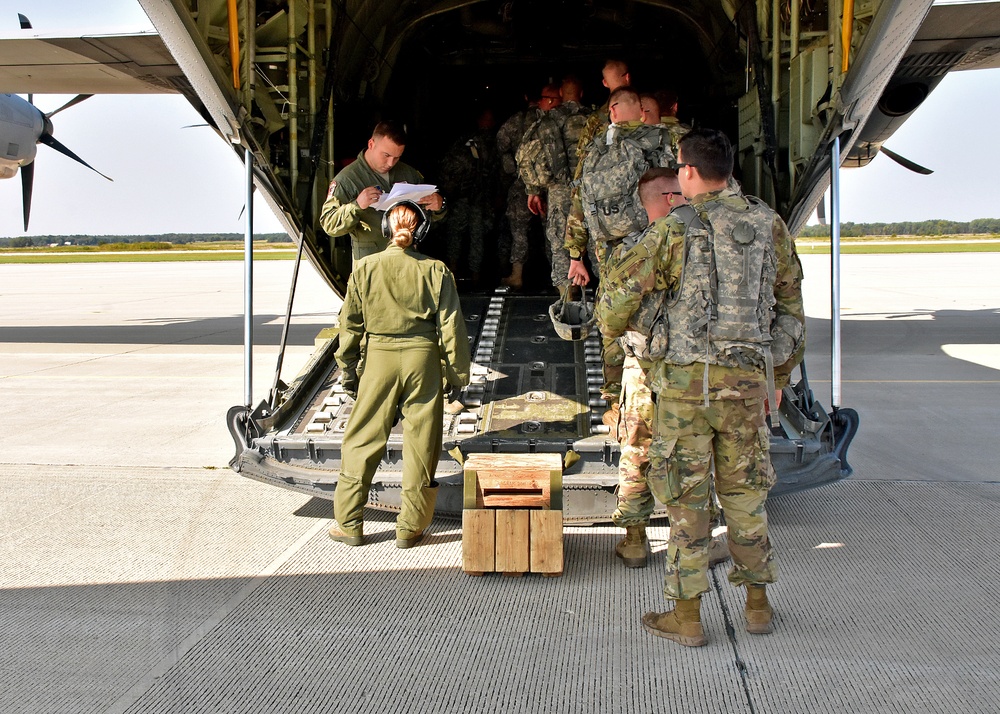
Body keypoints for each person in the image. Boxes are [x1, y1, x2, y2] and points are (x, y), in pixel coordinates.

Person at [596, 128, 805, 646]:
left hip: (686, 390)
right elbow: (791, 311)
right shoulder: (767, 223)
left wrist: (624, 326)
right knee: (745, 495)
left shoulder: (674, 229)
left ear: (687, 171)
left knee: (688, 503)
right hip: (746, 385)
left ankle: (687, 618)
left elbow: (616, 300)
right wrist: (775, 376)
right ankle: (758, 605)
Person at [329, 201, 471, 549]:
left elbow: (348, 327)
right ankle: (410, 527)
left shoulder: (364, 269)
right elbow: (451, 328)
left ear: (385, 229)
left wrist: (349, 371)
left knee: (362, 439)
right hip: (422, 361)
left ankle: (349, 523)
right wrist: (456, 377)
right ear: (421, 230)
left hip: (378, 360)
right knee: (421, 445)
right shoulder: (436, 271)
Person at [566, 87, 674, 427]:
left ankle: (615, 399)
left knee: (613, 319)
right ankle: (660, 393)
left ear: (612, 111)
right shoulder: (662, 141)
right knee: (660, 314)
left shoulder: (596, 149)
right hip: (656, 244)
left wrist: (575, 255)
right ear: (641, 112)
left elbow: (579, 201)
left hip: (608, 252)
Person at [608, 167, 685, 567]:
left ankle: (635, 540)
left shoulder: (629, 251)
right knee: (687, 451)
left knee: (636, 447)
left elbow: (610, 319)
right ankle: (685, 538)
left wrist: (609, 387)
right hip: (691, 370)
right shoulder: (703, 241)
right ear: (671, 197)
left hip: (641, 366)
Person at [319, 121, 446, 262]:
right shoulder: (348, 179)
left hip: (407, 261)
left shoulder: (409, 174)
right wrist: (356, 206)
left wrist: (439, 207)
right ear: (371, 144)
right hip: (371, 265)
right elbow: (329, 224)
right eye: (386, 155)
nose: (391, 163)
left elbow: (428, 219)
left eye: (397, 157)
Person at [438, 108, 499, 284]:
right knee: (464, 234)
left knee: (470, 235)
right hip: (466, 197)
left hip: (475, 198)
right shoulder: (485, 142)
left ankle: (468, 273)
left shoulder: (472, 141)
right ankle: (461, 271)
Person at [495, 94, 542, 288]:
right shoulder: (549, 120)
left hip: (523, 184)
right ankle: (563, 279)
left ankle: (517, 274)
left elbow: (501, 142)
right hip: (551, 185)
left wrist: (512, 167)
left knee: (519, 231)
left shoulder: (517, 120)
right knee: (556, 231)